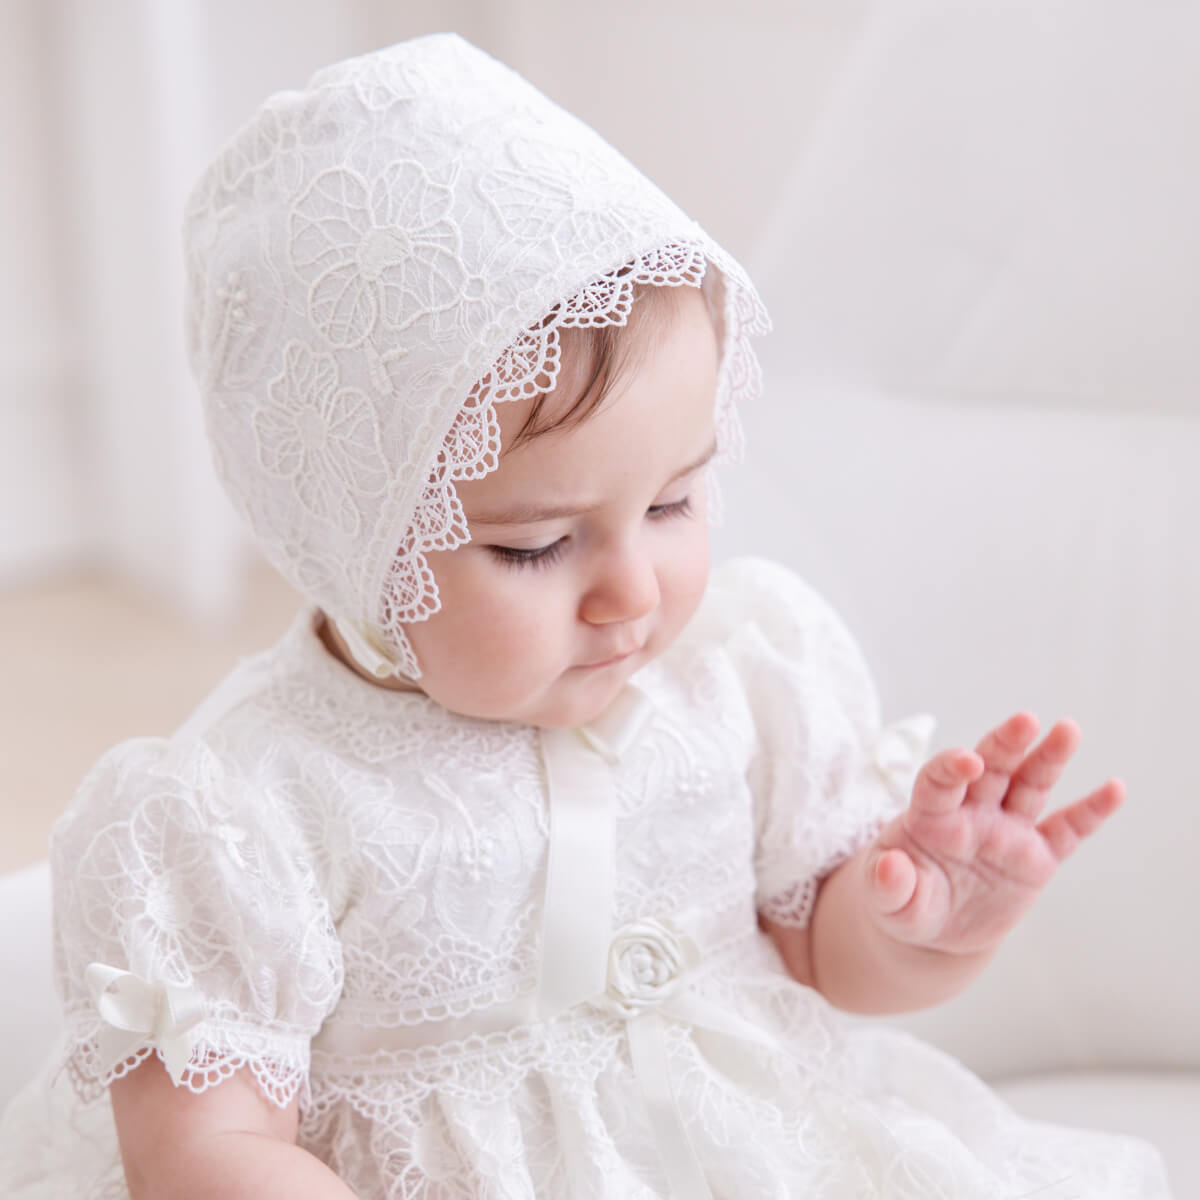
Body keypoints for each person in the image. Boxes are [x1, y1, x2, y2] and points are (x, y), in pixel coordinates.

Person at [0, 33, 1173, 1200]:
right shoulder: (247, 810)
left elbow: (824, 962)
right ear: (349, 537)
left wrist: (922, 920)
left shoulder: (739, 680)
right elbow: (203, 1152)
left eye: (673, 500)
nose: (633, 593)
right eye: (538, 546)